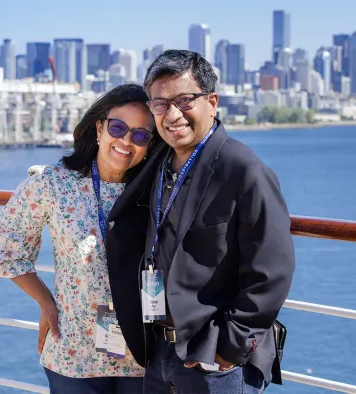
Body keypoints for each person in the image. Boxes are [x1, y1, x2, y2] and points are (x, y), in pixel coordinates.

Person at [106, 50, 296, 393]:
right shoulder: (159, 163)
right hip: (159, 349)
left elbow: (272, 271)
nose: (173, 114)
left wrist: (229, 347)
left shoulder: (244, 171)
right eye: (161, 104)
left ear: (212, 101)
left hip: (214, 360)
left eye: (185, 100)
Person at [0, 84, 163, 394]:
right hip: (75, 353)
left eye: (140, 135)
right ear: (100, 128)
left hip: (143, 354)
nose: (126, 141)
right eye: (118, 127)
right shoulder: (56, 183)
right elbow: (4, 244)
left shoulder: (158, 189)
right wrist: (45, 300)